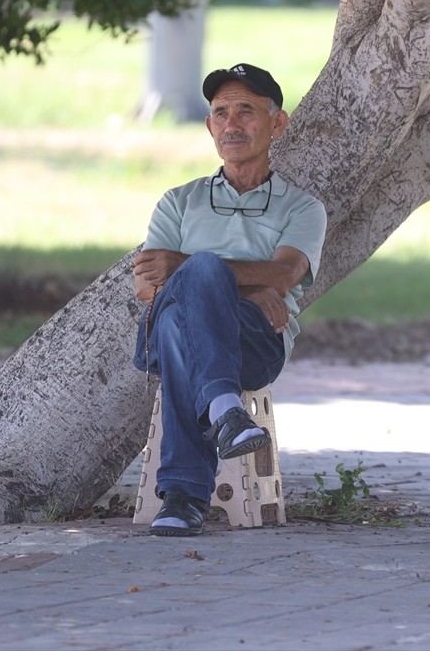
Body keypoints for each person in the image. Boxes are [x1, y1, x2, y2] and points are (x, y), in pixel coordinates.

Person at [132, 63, 327, 537]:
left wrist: (205, 272)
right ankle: (224, 411)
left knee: (183, 312)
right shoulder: (179, 201)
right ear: (209, 126)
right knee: (183, 302)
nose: (231, 124)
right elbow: (146, 287)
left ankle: (183, 497)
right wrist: (250, 285)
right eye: (220, 113)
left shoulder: (303, 207)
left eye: (246, 111)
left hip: (256, 341)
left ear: (277, 124)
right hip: (170, 338)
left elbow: (285, 274)